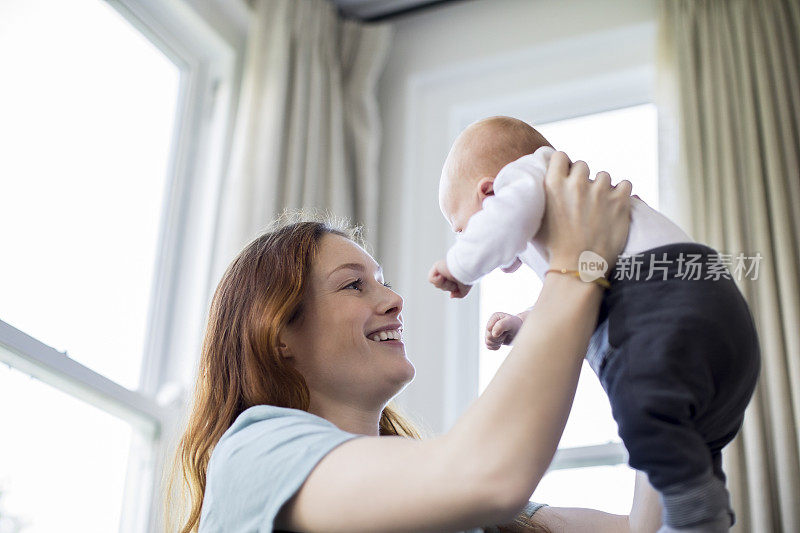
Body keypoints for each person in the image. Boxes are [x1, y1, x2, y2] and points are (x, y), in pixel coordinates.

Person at [167, 152, 651, 532]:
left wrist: (644, 348)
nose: (396, 300)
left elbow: (650, 528)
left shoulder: (453, 497)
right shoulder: (253, 455)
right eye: (354, 284)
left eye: (382, 282)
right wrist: (576, 269)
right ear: (279, 336)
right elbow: (487, 475)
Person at [428, 116, 761, 532]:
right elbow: (578, 297)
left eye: (463, 229)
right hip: (718, 312)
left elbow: (511, 221)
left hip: (664, 298)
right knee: (693, 438)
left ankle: (697, 518)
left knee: (643, 411)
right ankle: (698, 503)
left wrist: (461, 265)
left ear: (489, 192)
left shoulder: (527, 176)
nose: (469, 239)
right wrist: (521, 323)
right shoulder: (573, 216)